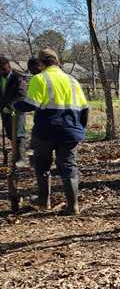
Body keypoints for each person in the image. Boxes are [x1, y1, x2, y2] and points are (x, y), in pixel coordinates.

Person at [12, 48, 88, 215]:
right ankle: (73, 206)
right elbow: (84, 108)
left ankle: (43, 200)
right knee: (68, 166)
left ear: (40, 64)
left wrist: (15, 105)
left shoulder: (39, 79)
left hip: (45, 131)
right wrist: (78, 128)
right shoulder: (73, 80)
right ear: (58, 62)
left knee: (42, 164)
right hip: (69, 131)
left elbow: (31, 104)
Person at [0, 56, 28, 168]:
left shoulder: (18, 78)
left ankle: (21, 159)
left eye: (4, 69)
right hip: (4, 111)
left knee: (19, 134)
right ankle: (15, 156)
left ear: (9, 67)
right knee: (10, 134)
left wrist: (10, 106)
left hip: (17, 111)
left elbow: (22, 96)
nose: (2, 72)